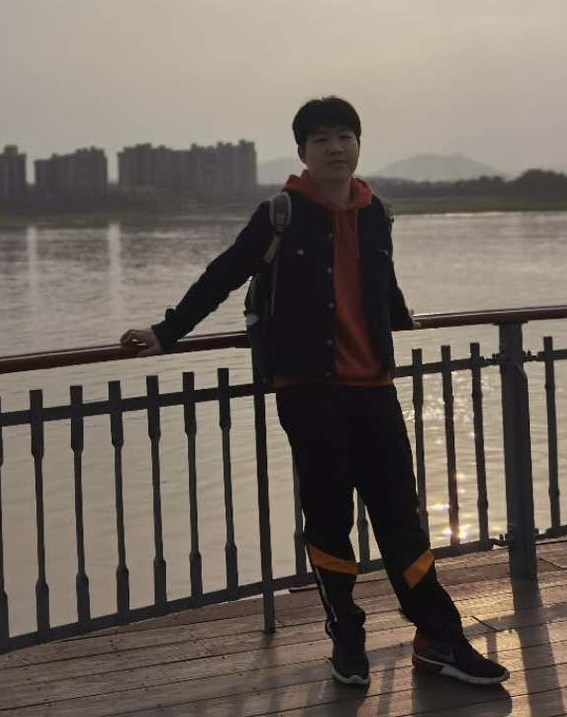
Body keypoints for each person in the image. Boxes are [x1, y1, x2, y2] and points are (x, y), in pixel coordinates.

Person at [121, 96, 510, 689]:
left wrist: (399, 317)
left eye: (345, 136)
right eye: (322, 139)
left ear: (359, 145)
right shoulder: (281, 213)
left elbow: (380, 279)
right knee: (328, 517)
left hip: (374, 387)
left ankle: (439, 639)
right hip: (309, 391)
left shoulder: (376, 212)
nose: (336, 148)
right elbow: (224, 273)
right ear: (303, 151)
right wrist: (167, 331)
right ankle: (346, 638)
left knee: (401, 519)